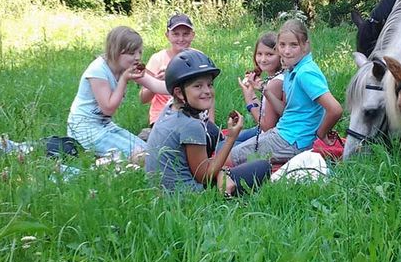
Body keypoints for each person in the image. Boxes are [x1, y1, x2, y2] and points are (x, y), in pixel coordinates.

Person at [145, 49, 271, 195]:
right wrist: (231, 138)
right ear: (180, 92)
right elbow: (204, 176)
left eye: (209, 84)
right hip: (188, 197)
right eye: (198, 86)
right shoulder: (191, 125)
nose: (207, 91)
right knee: (262, 166)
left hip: (162, 190)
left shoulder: (170, 109)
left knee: (211, 131)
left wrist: (221, 171)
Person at [228, 19, 343, 166]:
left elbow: (335, 109)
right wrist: (265, 90)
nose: (287, 51)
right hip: (284, 133)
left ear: (305, 45)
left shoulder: (305, 73)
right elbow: (285, 110)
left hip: (291, 141)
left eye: (293, 45)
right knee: (231, 150)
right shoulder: (292, 68)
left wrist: (321, 133)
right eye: (282, 45)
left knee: (225, 159)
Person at [67, 26, 169, 162]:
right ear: (115, 51)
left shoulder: (126, 66)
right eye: (132, 53)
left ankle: (106, 159)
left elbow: (157, 86)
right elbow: (108, 108)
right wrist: (124, 79)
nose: (137, 57)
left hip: (104, 125)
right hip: (85, 128)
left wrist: (184, 85)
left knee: (147, 150)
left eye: (140, 52)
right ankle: (99, 164)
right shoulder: (98, 71)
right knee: (141, 156)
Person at [139, 13, 199, 127]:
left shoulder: (198, 57)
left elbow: (208, 93)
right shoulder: (157, 59)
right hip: (162, 116)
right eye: (175, 34)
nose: (181, 39)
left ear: (193, 35)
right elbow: (143, 98)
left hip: (193, 113)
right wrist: (155, 83)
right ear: (167, 35)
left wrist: (211, 124)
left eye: (185, 34)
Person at [232, 31, 285, 145]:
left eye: (269, 54)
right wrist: (251, 93)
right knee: (230, 138)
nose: (263, 59)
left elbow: (267, 127)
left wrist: (249, 101)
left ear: (280, 55)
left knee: (222, 147)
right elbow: (266, 111)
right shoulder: (273, 78)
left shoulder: (276, 83)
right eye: (259, 54)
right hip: (266, 131)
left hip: (272, 137)